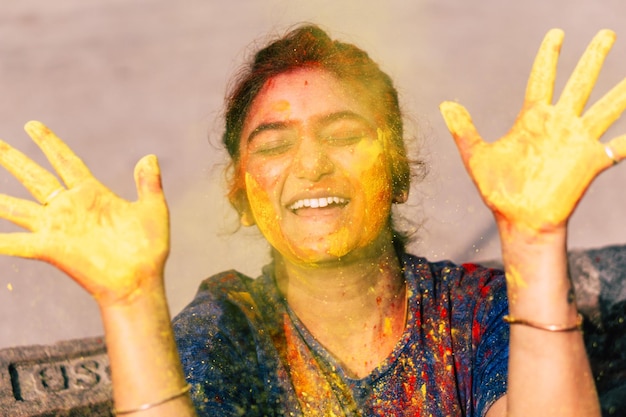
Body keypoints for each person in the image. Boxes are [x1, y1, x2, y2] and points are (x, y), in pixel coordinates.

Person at [0, 24, 624, 417]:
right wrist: (130, 301)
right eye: (272, 144)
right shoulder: (228, 330)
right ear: (242, 192)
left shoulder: (471, 308)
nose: (311, 165)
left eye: (345, 133)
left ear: (398, 169)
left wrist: (535, 239)